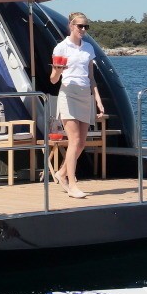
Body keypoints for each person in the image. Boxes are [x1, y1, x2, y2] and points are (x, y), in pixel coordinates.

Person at [49, 12, 105, 199]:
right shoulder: (61, 47)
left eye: (86, 26)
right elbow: (53, 79)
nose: (83, 29)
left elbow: (91, 77)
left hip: (85, 94)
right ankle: (72, 183)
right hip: (68, 93)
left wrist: (98, 99)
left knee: (81, 143)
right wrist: (58, 71)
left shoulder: (88, 48)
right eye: (80, 26)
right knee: (74, 140)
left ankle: (61, 173)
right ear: (71, 26)